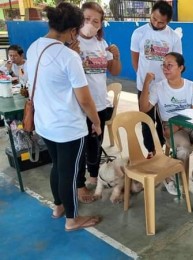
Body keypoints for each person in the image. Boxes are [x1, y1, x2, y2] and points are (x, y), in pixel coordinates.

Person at [26, 2, 101, 231]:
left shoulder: (33, 48)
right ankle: (72, 219)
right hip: (68, 128)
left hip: (45, 125)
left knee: (58, 167)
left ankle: (58, 207)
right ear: (72, 31)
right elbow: (85, 100)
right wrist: (96, 122)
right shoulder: (69, 56)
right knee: (69, 173)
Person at [139, 52, 193, 195]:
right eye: (163, 65)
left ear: (181, 68)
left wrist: (180, 124)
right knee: (183, 149)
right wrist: (146, 83)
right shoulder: (158, 87)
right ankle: (171, 177)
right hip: (172, 129)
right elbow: (144, 108)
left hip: (190, 124)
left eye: (170, 65)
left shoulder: (190, 86)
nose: (165, 68)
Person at [75, 1, 122, 203]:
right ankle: (79, 184)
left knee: (95, 144)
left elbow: (115, 71)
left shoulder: (102, 44)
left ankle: (94, 175)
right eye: (86, 19)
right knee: (79, 147)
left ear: (101, 24)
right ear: (79, 19)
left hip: (100, 104)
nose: (91, 24)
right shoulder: (72, 43)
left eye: (96, 21)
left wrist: (117, 56)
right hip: (79, 106)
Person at [130, 0, 181, 161]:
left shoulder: (173, 37)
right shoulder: (139, 33)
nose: (156, 23)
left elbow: (176, 62)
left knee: (163, 119)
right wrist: (143, 79)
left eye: (161, 22)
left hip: (164, 86)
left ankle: (160, 149)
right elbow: (135, 60)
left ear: (168, 22)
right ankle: (151, 151)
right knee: (146, 120)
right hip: (145, 86)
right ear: (151, 14)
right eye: (153, 19)